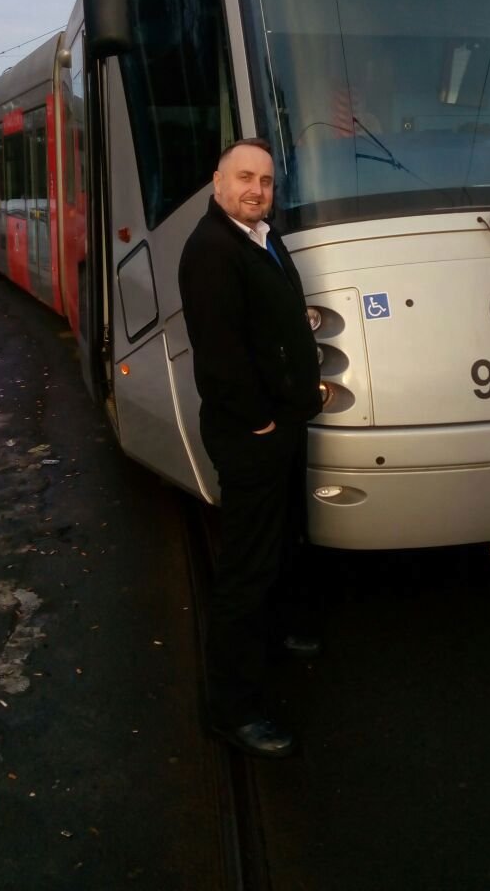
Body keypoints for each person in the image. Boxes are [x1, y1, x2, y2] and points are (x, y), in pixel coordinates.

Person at [178, 138, 323, 758]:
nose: (256, 189)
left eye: (264, 180)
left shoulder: (262, 236)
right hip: (251, 434)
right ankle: (231, 710)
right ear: (217, 180)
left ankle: (278, 631)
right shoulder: (211, 249)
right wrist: (261, 419)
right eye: (244, 177)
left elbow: (280, 323)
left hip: (283, 425)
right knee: (244, 568)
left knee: (282, 541)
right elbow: (219, 357)